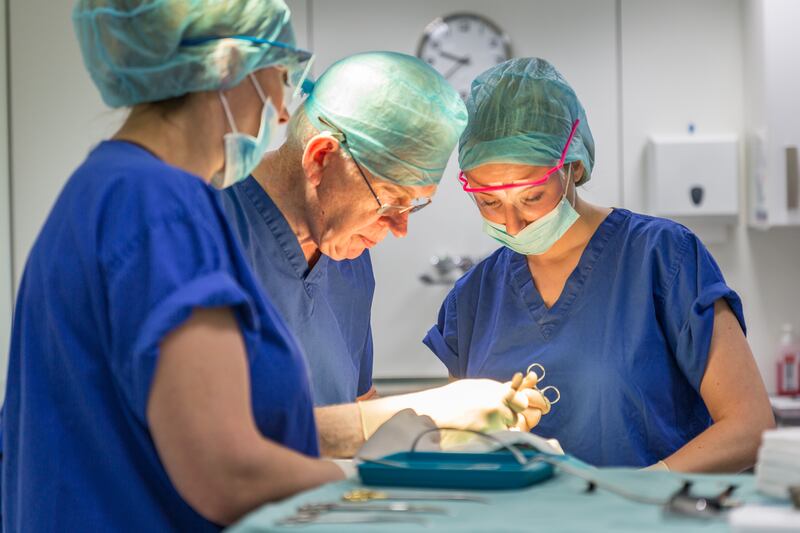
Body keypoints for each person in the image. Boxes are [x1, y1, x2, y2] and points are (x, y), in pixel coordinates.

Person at [1, 3, 547, 530]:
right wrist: (385, 484)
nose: (285, 111)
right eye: (278, 77)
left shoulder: (112, 188)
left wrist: (417, 433)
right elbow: (228, 471)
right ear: (227, 71)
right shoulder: (159, 206)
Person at [423, 57, 775, 472]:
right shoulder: (473, 299)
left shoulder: (663, 258)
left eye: (531, 197)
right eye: (488, 202)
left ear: (573, 165)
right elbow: (464, 443)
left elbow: (750, 427)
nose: (512, 224)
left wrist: (637, 492)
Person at [221, 51, 464, 406]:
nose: (400, 228)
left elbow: (357, 404)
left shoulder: (350, 261)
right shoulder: (208, 230)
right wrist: (436, 410)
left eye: (414, 204)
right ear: (321, 158)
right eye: (390, 199)